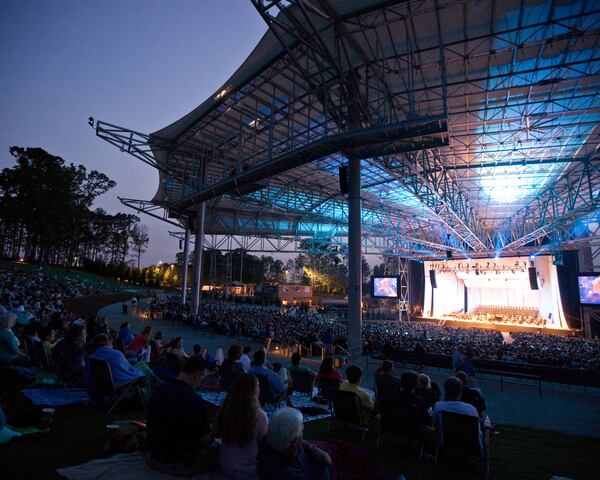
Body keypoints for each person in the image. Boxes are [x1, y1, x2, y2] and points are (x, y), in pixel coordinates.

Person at [147, 355, 217, 476]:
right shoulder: (193, 400)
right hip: (177, 462)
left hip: (154, 455)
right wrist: (217, 429)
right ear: (197, 375)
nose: (201, 382)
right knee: (219, 449)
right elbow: (205, 440)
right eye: (202, 378)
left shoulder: (159, 390)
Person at [216, 373, 268, 479]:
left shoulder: (226, 407)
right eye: (257, 385)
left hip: (224, 465)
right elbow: (265, 445)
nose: (259, 388)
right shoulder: (260, 416)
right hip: (247, 471)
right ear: (252, 390)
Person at [257, 407, 331, 480]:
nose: (302, 435)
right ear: (295, 442)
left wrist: (313, 448)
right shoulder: (292, 474)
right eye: (302, 431)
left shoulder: (269, 440)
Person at [433, 376, 481, 448]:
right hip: (468, 447)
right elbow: (476, 432)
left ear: (446, 391)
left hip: (446, 444)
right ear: (460, 392)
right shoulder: (472, 410)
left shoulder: (438, 407)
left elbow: (436, 426)